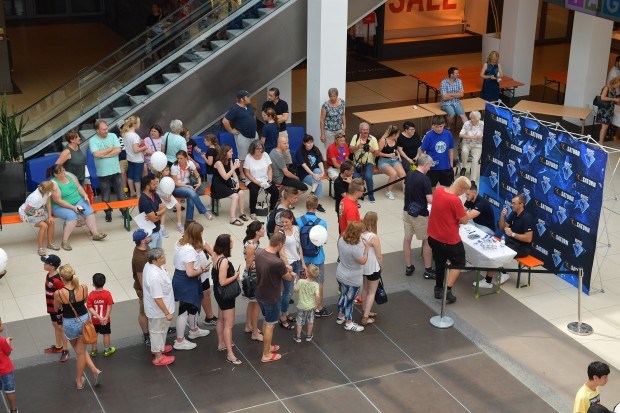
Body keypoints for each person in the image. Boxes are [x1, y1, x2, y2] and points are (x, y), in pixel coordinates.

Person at [53, 264, 102, 390]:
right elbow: (84, 301)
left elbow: (56, 308)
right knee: (81, 350)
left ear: (62, 277)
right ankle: (94, 370)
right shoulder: (84, 287)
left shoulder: (59, 293)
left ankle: (79, 381)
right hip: (84, 320)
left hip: (69, 323)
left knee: (79, 352)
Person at [427, 176, 470, 304]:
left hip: (434, 236)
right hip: (449, 240)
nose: (463, 194)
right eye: (464, 191)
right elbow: (464, 220)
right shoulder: (455, 200)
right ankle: (448, 290)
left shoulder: (439, 190)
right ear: (461, 189)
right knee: (459, 262)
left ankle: (438, 288)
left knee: (439, 263)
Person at [255, 233, 294, 363]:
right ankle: (266, 354)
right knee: (271, 325)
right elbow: (288, 278)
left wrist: (284, 268)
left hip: (260, 293)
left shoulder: (259, 252)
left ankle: (268, 346)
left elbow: (269, 269)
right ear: (280, 244)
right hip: (272, 297)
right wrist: (288, 269)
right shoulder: (277, 262)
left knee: (266, 320)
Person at [47, 165, 106, 250]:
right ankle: (65, 241)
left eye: (64, 170)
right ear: (55, 175)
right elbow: (58, 201)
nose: (64, 173)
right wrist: (73, 208)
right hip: (59, 206)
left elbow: (78, 186)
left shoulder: (69, 175)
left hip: (77, 200)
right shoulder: (53, 184)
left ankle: (95, 234)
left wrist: (85, 195)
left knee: (89, 211)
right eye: (61, 172)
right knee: (72, 217)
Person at [172, 221, 211, 350]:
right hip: (186, 282)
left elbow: (185, 265)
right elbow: (190, 273)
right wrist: (202, 270)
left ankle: (194, 330)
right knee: (183, 311)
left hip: (184, 280)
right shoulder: (189, 250)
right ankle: (180, 340)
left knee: (192, 307)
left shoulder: (182, 245)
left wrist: (197, 267)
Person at [297, 195, 332, 318]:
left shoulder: (298, 221)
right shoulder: (322, 223)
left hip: (303, 259)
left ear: (306, 205)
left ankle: (305, 306)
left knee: (304, 280)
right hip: (317, 258)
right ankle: (319, 307)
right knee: (319, 282)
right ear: (316, 205)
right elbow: (323, 241)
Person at [211, 234, 242, 365]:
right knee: (229, 325)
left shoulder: (215, 256)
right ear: (226, 245)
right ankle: (230, 354)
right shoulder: (224, 261)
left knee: (220, 318)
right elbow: (223, 281)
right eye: (230, 241)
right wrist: (235, 276)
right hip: (225, 295)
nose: (233, 242)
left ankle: (221, 343)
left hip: (218, 293)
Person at [88, 119, 127, 222]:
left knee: (121, 193)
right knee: (105, 195)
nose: (106, 131)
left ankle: (124, 211)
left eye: (106, 128)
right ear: (97, 130)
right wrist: (110, 149)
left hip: (116, 170)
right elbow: (96, 154)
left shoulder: (113, 136)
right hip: (103, 172)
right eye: (103, 129)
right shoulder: (93, 140)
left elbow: (118, 150)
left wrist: (103, 155)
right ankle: (108, 213)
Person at [142, 247, 175, 366]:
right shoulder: (154, 276)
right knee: (157, 331)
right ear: (155, 260)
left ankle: (159, 347)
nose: (165, 258)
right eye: (162, 257)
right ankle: (158, 356)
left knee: (160, 330)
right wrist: (167, 312)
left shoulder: (149, 265)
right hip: (159, 311)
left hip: (159, 308)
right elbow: (157, 298)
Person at [403, 155, 434, 279]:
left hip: (406, 211)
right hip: (420, 215)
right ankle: (428, 270)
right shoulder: (425, 179)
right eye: (430, 166)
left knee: (407, 239)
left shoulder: (409, 174)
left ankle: (408, 267)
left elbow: (404, 189)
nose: (430, 168)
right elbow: (429, 199)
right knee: (426, 240)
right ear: (425, 164)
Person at [336, 221, 368, 332]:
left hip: (341, 273)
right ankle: (348, 323)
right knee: (350, 300)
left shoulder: (341, 240)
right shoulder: (357, 246)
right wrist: (366, 249)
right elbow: (362, 261)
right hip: (352, 278)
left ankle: (340, 316)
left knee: (343, 296)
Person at [277, 210, 305, 329]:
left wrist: (303, 263)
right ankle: (282, 316)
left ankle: (286, 313)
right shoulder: (280, 233)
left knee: (290, 291)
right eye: (282, 222)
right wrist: (289, 268)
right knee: (288, 292)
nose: (284, 224)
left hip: (297, 261)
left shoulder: (296, 229)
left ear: (291, 219)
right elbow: (281, 253)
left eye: (286, 221)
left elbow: (299, 247)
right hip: (287, 264)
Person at [222, 89, 258, 176]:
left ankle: (252, 172)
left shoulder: (249, 105)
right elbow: (225, 121)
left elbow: (253, 116)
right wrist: (231, 130)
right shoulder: (235, 109)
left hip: (253, 133)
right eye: (247, 97)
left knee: (255, 153)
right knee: (243, 156)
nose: (250, 98)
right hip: (243, 135)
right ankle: (242, 173)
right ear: (242, 99)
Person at [171, 150, 213, 223]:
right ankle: (204, 211)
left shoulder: (190, 163)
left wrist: (199, 183)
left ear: (186, 158)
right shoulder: (174, 167)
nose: (179, 160)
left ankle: (189, 220)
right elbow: (176, 183)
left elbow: (198, 176)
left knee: (190, 197)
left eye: (181, 158)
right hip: (177, 188)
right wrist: (188, 187)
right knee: (191, 192)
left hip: (187, 186)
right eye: (178, 158)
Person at [19, 181, 59, 256]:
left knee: (51, 222)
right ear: (48, 190)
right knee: (44, 225)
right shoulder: (35, 198)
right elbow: (27, 211)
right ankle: (40, 248)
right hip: (27, 214)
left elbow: (48, 203)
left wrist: (50, 216)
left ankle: (50, 244)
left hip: (39, 209)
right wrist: (37, 214)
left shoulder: (47, 192)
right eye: (53, 189)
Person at [42, 254, 69, 362]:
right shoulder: (48, 275)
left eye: (46, 263)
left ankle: (66, 350)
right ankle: (58, 346)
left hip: (58, 308)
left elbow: (63, 294)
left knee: (60, 327)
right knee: (55, 325)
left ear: (52, 266)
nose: (44, 264)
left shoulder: (58, 280)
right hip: (50, 306)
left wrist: (61, 308)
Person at [212, 144, 248, 226]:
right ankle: (232, 219)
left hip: (227, 182)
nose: (232, 153)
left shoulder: (229, 160)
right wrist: (234, 167)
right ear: (225, 152)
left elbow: (234, 173)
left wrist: (237, 182)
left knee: (241, 193)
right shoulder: (218, 163)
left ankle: (242, 213)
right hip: (218, 184)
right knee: (235, 196)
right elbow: (225, 176)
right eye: (230, 151)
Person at [243, 139, 279, 220]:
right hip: (252, 179)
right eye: (257, 148)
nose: (260, 150)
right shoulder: (248, 157)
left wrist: (270, 178)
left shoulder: (265, 155)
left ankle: (272, 207)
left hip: (265, 178)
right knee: (254, 192)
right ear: (253, 149)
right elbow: (247, 173)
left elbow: (270, 169)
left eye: (261, 148)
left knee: (275, 191)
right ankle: (253, 211)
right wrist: (256, 182)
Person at [242, 221, 265, 341]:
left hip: (253, 277)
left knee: (252, 303)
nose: (264, 230)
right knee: (256, 305)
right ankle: (255, 332)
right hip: (253, 278)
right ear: (257, 232)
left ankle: (249, 325)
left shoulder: (253, 242)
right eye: (262, 228)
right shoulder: (251, 246)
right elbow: (249, 265)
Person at [419, 116, 455, 189]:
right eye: (436, 127)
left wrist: (451, 165)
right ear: (433, 126)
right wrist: (427, 162)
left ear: (444, 124)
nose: (439, 129)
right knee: (432, 188)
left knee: (447, 188)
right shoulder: (428, 136)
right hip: (432, 169)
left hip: (445, 167)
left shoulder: (448, 134)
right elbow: (421, 152)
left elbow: (451, 150)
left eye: (441, 126)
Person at [360, 212, 382, 326]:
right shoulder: (374, 237)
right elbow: (379, 255)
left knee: (365, 289)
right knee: (372, 292)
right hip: (373, 267)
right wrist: (381, 266)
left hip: (363, 266)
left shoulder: (360, 233)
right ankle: (365, 317)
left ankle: (365, 310)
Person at [499, 193, 534, 263]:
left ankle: (501, 272)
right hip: (512, 242)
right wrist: (502, 216)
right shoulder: (513, 213)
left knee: (502, 251)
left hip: (522, 248)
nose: (512, 205)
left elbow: (528, 238)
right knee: (497, 246)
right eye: (512, 203)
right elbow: (502, 228)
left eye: (514, 203)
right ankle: (498, 271)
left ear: (521, 205)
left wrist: (512, 234)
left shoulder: (527, 218)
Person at [132, 229, 152, 347]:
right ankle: (146, 335)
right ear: (143, 240)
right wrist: (147, 293)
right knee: (143, 311)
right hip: (143, 288)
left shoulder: (143, 247)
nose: (149, 237)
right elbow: (141, 278)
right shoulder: (139, 258)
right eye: (147, 236)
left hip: (149, 286)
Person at [295, 134, 326, 212]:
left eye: (311, 142)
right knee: (318, 182)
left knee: (318, 171)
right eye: (308, 143)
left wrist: (323, 171)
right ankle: (316, 202)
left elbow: (320, 162)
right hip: (304, 174)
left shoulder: (315, 149)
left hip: (315, 173)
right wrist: (313, 174)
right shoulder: (300, 152)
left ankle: (313, 194)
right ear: (304, 143)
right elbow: (304, 165)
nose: (310, 144)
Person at [87, 273, 115, 357]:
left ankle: (94, 351)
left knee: (94, 335)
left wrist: (98, 317)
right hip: (105, 320)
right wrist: (105, 317)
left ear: (93, 283)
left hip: (94, 320)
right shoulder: (107, 294)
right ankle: (106, 350)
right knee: (106, 334)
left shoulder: (91, 295)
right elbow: (109, 306)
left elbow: (90, 307)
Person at [349, 122, 379, 202]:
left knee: (368, 177)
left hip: (369, 163)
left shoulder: (373, 139)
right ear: (359, 130)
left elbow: (377, 153)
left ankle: (371, 194)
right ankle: (359, 193)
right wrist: (357, 147)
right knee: (356, 178)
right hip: (357, 163)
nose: (365, 131)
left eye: (367, 129)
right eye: (363, 130)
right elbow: (350, 150)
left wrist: (372, 150)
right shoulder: (356, 137)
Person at [376, 125, 407, 201]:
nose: (399, 135)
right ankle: (389, 192)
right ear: (393, 134)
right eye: (398, 134)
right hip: (383, 161)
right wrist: (388, 155)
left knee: (403, 175)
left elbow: (395, 149)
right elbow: (376, 153)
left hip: (394, 160)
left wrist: (398, 155)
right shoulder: (383, 140)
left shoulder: (395, 140)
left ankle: (406, 192)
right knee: (394, 174)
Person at [292, 264, 320, 342]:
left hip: (301, 306)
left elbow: (295, 290)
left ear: (306, 273)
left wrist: (294, 282)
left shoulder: (301, 281)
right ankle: (308, 335)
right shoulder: (316, 285)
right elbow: (317, 296)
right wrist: (317, 304)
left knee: (299, 321)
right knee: (310, 321)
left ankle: (298, 337)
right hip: (311, 307)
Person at [121, 116, 147, 197]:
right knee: (137, 178)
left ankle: (132, 192)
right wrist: (144, 147)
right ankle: (139, 194)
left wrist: (139, 142)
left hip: (129, 158)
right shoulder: (135, 136)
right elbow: (136, 150)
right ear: (135, 124)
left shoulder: (125, 134)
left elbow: (131, 146)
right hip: (138, 160)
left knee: (130, 176)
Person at [139, 175, 167, 248]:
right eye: (154, 184)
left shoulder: (154, 194)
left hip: (158, 230)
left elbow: (165, 208)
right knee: (151, 256)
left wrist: (157, 213)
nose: (156, 186)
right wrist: (161, 213)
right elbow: (153, 219)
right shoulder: (144, 200)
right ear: (147, 187)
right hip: (150, 234)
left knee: (159, 253)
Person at [155, 165, 183, 236]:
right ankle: (161, 228)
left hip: (169, 195)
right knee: (164, 209)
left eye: (169, 170)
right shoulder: (157, 180)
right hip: (160, 196)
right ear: (161, 172)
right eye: (166, 170)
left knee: (178, 207)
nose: (169, 171)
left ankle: (179, 225)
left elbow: (171, 188)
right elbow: (155, 192)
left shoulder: (169, 178)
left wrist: (170, 196)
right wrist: (164, 198)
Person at [458, 111, 484, 183]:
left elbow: (487, 136)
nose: (472, 119)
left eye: (474, 118)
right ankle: (464, 167)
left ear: (479, 119)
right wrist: (472, 137)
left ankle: (473, 180)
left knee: (475, 160)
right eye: (471, 118)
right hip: (467, 143)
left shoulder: (483, 124)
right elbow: (461, 134)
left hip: (477, 145)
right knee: (464, 151)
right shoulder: (467, 123)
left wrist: (481, 137)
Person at [0, 317, 17, 413]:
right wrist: (8, 342)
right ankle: (13, 409)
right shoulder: (2, 341)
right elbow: (8, 353)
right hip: (6, 370)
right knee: (9, 389)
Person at [596, 76, 620, 145]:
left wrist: (616, 100)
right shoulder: (607, 87)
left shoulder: (614, 89)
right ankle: (601, 143)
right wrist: (614, 99)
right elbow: (602, 97)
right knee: (604, 127)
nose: (618, 86)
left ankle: (601, 142)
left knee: (605, 127)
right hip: (604, 111)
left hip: (609, 111)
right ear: (614, 82)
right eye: (617, 84)